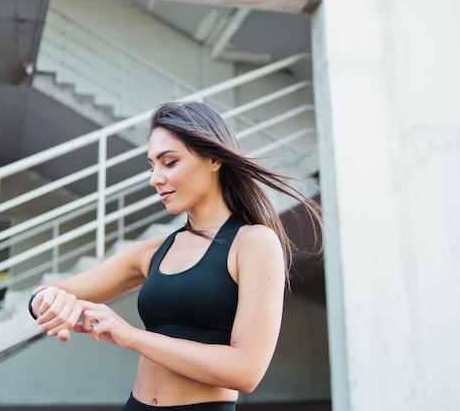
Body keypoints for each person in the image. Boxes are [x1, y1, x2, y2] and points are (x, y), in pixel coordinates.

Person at [28, 101, 323, 410]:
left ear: (213, 158)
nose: (155, 178)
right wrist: (46, 303)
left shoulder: (254, 243)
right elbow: (50, 292)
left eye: (169, 162)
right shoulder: (153, 251)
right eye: (151, 165)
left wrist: (131, 337)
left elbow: (246, 371)